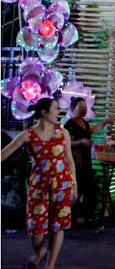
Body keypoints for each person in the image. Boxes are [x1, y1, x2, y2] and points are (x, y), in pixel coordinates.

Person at [2, 97, 77, 269]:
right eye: (56, 109)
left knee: (58, 227)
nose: (58, 112)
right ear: (44, 112)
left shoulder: (62, 132)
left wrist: (74, 185)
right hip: (38, 188)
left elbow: (70, 160)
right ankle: (39, 252)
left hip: (62, 185)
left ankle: (49, 265)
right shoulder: (28, 134)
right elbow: (3, 154)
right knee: (36, 232)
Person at [63, 97, 113, 226]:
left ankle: (87, 216)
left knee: (91, 189)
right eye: (80, 107)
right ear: (72, 109)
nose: (84, 109)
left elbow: (94, 128)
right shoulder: (70, 124)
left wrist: (107, 121)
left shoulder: (84, 123)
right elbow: (67, 143)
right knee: (76, 191)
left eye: (85, 107)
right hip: (75, 162)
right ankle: (71, 220)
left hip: (86, 162)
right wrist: (81, 142)